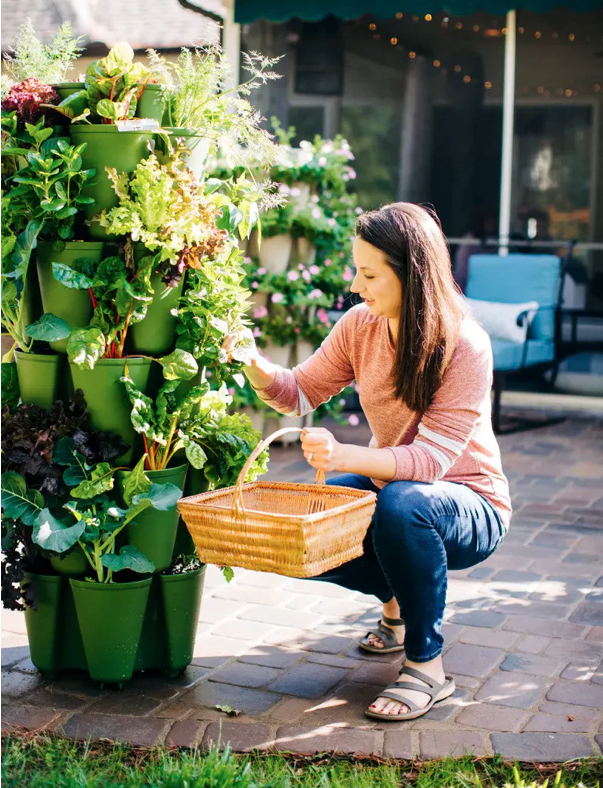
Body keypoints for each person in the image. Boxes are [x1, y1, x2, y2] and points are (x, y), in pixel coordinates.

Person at [222, 202, 511, 723]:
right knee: (303, 526)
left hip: (469, 504)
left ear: (412, 273)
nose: (357, 285)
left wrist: (345, 455)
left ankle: (427, 666)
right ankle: (398, 605)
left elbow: (430, 461)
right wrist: (254, 364)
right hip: (399, 490)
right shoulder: (362, 326)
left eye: (370, 273)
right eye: (358, 270)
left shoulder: (466, 345)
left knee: (401, 506)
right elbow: (299, 390)